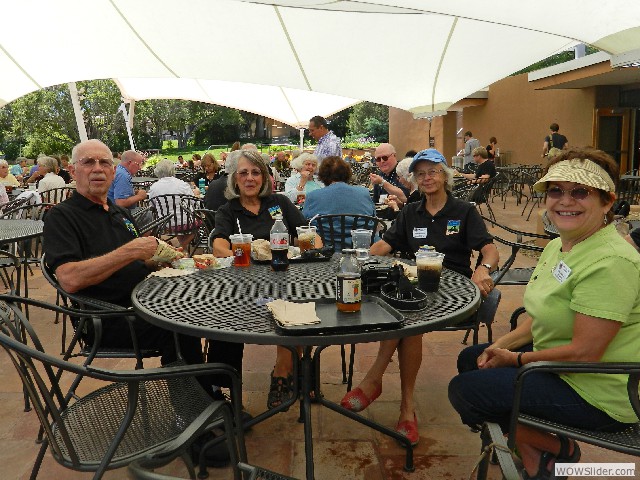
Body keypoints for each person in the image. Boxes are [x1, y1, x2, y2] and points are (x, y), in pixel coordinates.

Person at [449, 147, 640, 479]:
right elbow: (541, 318)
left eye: (580, 192)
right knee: (472, 359)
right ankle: (533, 444)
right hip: (559, 365)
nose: (565, 201)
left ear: (607, 202)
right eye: (556, 190)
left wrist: (517, 360)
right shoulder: (559, 245)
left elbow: (586, 353)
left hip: (598, 390)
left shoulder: (612, 261)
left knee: (465, 391)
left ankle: (555, 447)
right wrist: (502, 347)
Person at [341, 148, 499, 446]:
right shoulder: (411, 210)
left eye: (433, 171)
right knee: (407, 311)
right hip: (415, 286)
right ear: (414, 178)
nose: (427, 178)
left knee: (406, 314)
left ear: (445, 175)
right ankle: (406, 409)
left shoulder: (464, 210)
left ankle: (375, 381)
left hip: (453, 290)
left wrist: (483, 269)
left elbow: (490, 249)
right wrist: (351, 260)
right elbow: (386, 245)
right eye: (421, 173)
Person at [210, 149, 322, 410]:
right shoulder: (229, 211)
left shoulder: (278, 203)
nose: (250, 178)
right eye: (243, 173)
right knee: (224, 313)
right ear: (235, 180)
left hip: (284, 277)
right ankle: (225, 388)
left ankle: (283, 371)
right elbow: (218, 247)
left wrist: (313, 246)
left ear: (265, 177)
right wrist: (247, 260)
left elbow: (307, 234)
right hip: (245, 286)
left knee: (300, 299)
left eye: (256, 172)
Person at [303, 156, 376, 248]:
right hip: (361, 248)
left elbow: (305, 224)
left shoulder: (313, 196)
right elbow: (373, 221)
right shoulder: (364, 193)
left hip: (325, 251)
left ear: (322, 175)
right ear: (347, 173)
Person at [149, 159, 201, 250]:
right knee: (201, 223)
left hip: (164, 225)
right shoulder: (182, 184)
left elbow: (152, 206)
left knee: (177, 224)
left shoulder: (154, 187)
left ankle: (179, 249)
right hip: (186, 223)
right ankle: (179, 247)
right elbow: (194, 203)